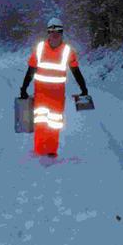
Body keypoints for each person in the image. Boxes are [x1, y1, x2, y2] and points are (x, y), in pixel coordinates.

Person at [20, 17, 88, 157]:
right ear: (48, 33)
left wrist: (83, 88)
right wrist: (24, 88)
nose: (55, 34)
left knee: (55, 122)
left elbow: (76, 71)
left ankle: (51, 150)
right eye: (52, 31)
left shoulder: (68, 51)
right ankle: (39, 150)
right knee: (40, 122)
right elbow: (31, 70)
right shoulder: (39, 49)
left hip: (57, 95)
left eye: (58, 31)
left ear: (62, 33)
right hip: (41, 93)